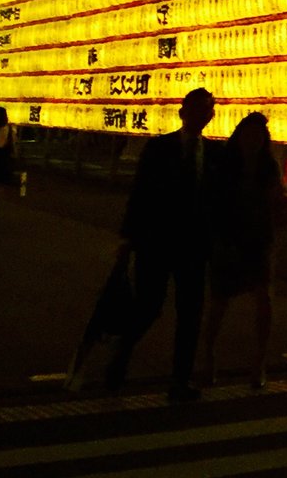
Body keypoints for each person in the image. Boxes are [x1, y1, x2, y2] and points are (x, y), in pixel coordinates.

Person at [107, 87, 217, 401]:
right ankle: (122, 352)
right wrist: (128, 238)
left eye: (208, 109)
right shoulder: (159, 148)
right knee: (149, 305)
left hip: (194, 246)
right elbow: (140, 194)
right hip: (156, 240)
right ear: (183, 112)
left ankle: (180, 380)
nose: (202, 114)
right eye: (196, 108)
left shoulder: (213, 154)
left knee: (190, 312)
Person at [202, 112, 287, 389]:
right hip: (229, 238)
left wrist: (283, 200)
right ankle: (207, 358)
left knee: (264, 299)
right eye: (249, 135)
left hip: (259, 239)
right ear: (239, 136)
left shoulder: (268, 166)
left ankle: (259, 364)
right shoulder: (225, 164)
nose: (253, 140)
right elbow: (212, 201)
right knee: (219, 301)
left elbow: (279, 198)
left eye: (259, 136)